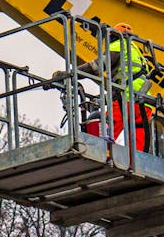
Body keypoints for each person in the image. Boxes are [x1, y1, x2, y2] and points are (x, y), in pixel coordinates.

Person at [57, 22, 151, 151]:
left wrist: (70, 74)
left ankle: (98, 153)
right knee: (138, 142)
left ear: (112, 36)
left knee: (105, 130)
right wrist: (101, 100)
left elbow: (96, 66)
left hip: (127, 100)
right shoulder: (136, 51)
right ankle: (136, 163)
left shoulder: (118, 45)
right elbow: (127, 81)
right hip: (144, 103)